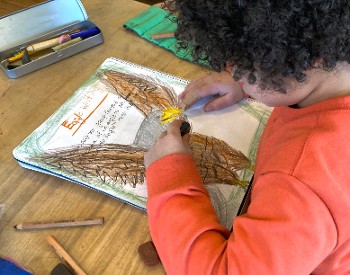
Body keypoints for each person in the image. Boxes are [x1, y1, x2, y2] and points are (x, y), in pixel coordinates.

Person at [143, 0, 350, 274]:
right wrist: (251, 83)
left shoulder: (303, 183)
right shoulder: (332, 64)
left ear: (307, 56)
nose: (229, 68)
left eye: (242, 60)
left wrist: (170, 178)